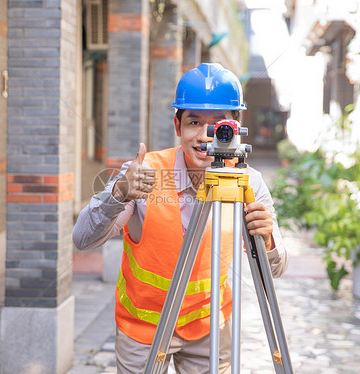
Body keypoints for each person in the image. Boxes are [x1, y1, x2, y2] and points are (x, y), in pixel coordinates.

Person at [73, 63, 288, 373]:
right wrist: (118, 194)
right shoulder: (143, 173)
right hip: (145, 327)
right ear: (178, 127)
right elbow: (82, 240)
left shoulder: (248, 182)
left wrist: (265, 238)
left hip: (210, 324)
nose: (204, 135)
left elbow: (277, 269)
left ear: (236, 127)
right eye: (194, 122)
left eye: (218, 125)